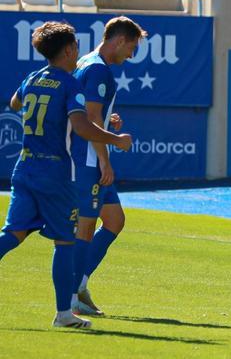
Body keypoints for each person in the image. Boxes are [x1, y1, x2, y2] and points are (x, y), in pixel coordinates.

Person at [0, 21, 132, 329]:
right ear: (69, 49)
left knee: (13, 235)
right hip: (56, 173)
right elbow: (84, 126)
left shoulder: (33, 78)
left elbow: (15, 103)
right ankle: (63, 313)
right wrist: (116, 140)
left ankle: (68, 308)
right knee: (65, 241)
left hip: (25, 168)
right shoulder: (69, 83)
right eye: (75, 47)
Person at [69, 16, 147, 316]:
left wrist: (107, 120)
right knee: (84, 228)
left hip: (86, 154)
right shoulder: (99, 70)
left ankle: (80, 285)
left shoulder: (86, 61)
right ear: (119, 40)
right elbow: (88, 119)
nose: (131, 54)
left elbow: (87, 112)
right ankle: (71, 294)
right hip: (88, 159)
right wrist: (106, 154)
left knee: (114, 221)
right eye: (132, 47)